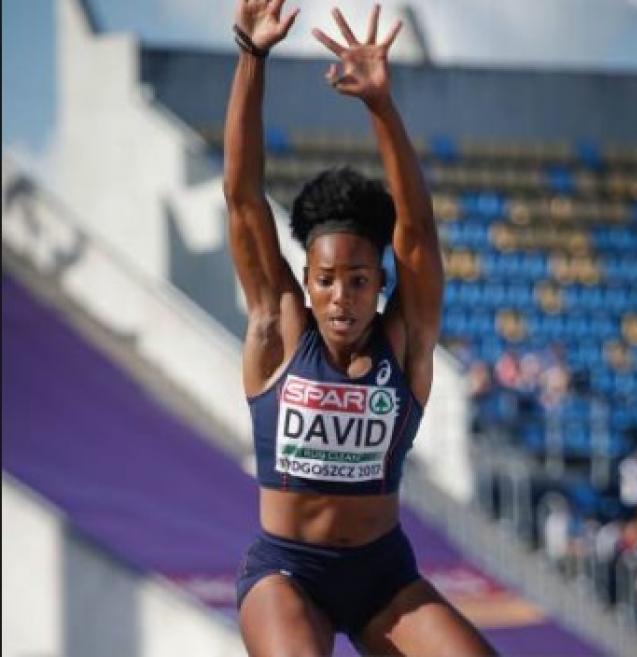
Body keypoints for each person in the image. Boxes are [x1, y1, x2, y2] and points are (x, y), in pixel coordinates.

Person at [223, 1, 497, 655]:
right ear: (307, 280)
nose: (340, 296)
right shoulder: (278, 326)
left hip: (383, 577)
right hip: (288, 573)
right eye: (325, 279)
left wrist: (380, 105)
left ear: (380, 284)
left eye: (358, 279)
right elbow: (242, 197)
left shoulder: (405, 342)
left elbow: (418, 233)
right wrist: (251, 56)